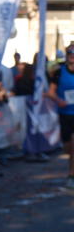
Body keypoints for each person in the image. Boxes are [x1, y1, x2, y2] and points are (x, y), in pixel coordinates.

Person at [47, 44, 74, 188]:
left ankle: (71, 175)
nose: (72, 56)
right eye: (70, 53)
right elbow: (50, 92)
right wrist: (59, 101)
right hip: (65, 114)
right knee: (68, 147)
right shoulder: (59, 71)